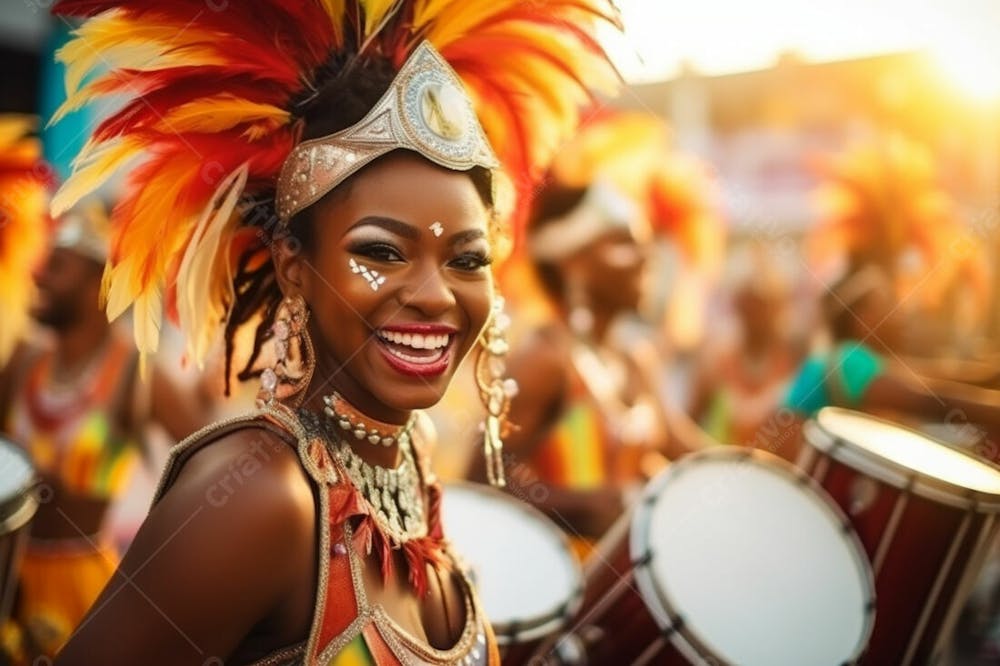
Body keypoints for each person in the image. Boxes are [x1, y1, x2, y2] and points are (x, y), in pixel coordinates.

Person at [47, 1, 617, 663]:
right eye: (380, 252)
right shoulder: (261, 496)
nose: (436, 294)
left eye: (466, 260)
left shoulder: (410, 460)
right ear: (295, 267)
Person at [492, 112, 713, 556]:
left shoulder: (635, 358)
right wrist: (578, 507)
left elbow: (684, 449)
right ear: (573, 262)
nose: (648, 255)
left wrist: (772, 472)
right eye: (624, 243)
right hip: (560, 611)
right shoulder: (545, 360)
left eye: (647, 239)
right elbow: (483, 483)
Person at [0, 204, 210, 660]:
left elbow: (216, 466)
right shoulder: (21, 360)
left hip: (85, 592)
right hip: (6, 578)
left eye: (56, 266)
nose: (37, 276)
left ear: (100, 281)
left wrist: (158, 560)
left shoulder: (138, 373)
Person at [782, 264, 1000, 461]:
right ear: (863, 320)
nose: (901, 316)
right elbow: (930, 400)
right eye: (889, 306)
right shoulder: (850, 359)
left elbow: (944, 375)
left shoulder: (851, 357)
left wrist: (991, 374)